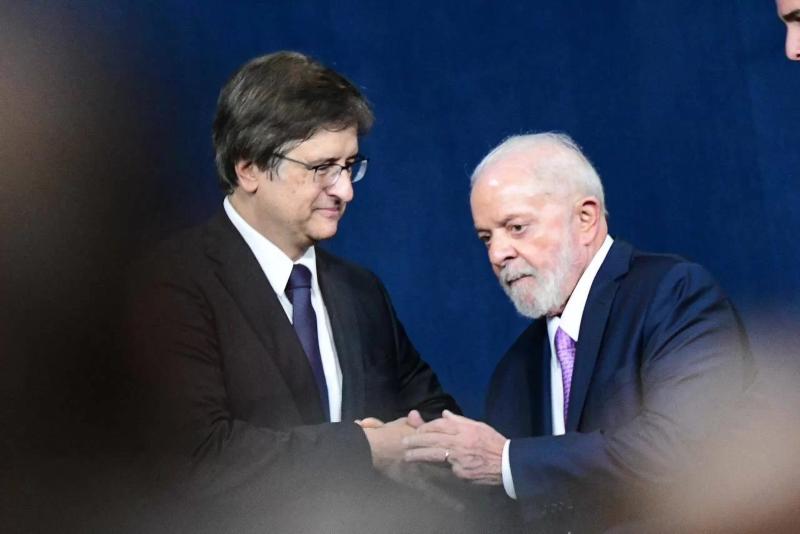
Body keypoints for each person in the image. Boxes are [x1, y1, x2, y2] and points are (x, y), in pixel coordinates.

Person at [129, 51, 461, 533]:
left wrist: (422, 446)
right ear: (248, 168)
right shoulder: (172, 283)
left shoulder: (361, 292)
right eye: (322, 167)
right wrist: (364, 449)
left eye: (350, 166)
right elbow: (199, 456)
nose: (344, 190)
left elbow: (434, 417)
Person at [404, 132, 752, 532]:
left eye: (516, 227)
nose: (498, 254)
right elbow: (513, 503)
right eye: (486, 238)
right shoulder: (515, 371)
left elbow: (688, 451)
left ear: (585, 219)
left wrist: (508, 460)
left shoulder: (673, 293)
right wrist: (436, 469)